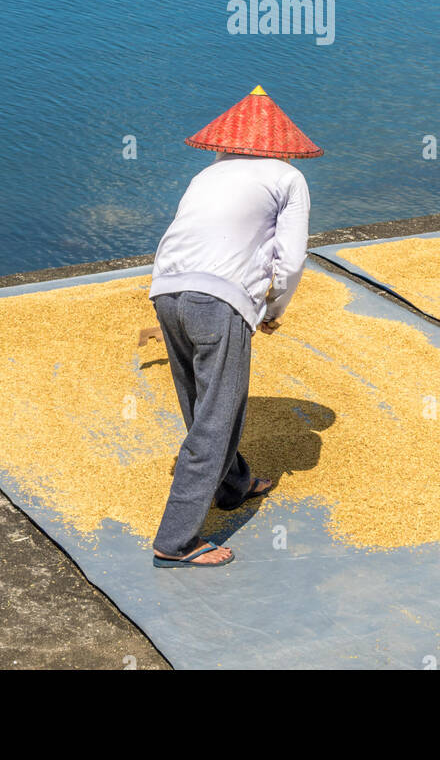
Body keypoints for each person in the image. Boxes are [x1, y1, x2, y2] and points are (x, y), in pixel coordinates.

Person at [150, 86, 322, 568]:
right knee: (217, 415)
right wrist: (273, 308)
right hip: (218, 299)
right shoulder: (288, 177)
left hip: (166, 290)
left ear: (229, 138)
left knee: (197, 402)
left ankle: (233, 483)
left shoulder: (208, 174)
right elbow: (290, 260)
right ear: (280, 141)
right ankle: (177, 540)